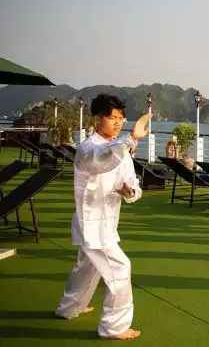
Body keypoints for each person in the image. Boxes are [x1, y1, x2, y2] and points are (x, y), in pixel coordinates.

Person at [54, 94, 152, 340]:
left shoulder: (121, 150)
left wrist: (130, 192)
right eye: (112, 117)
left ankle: (69, 307)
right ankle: (114, 326)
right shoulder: (88, 148)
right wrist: (130, 139)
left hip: (106, 223)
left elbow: (132, 184)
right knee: (120, 268)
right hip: (92, 224)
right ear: (97, 119)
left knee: (86, 267)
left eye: (121, 118)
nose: (118, 123)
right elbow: (102, 160)